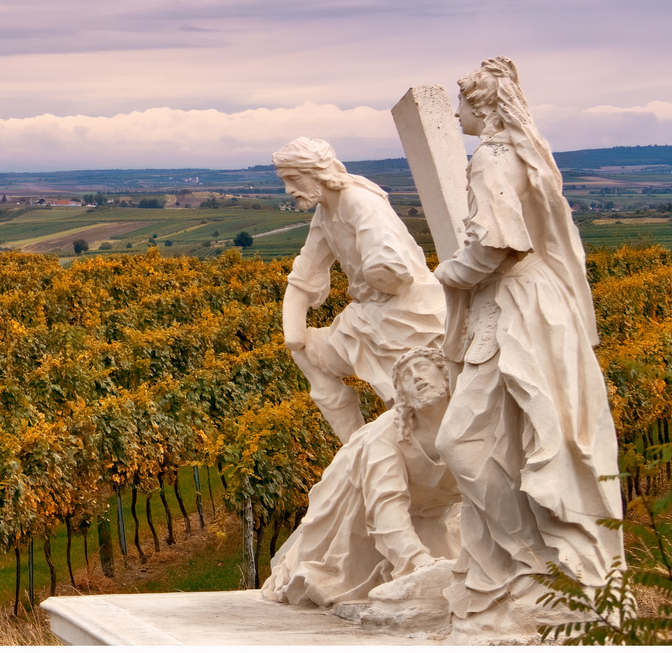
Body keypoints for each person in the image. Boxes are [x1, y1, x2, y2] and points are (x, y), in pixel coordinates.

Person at [432, 57, 622, 637]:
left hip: (512, 312)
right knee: (520, 439)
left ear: (482, 107)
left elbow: (498, 245)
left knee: (461, 441)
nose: (456, 113)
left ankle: (528, 565)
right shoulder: (521, 153)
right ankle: (531, 565)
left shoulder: (490, 158)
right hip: (534, 306)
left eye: (460, 104)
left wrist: (448, 274)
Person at [272, 137, 447, 443]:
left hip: (408, 315)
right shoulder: (326, 213)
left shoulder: (359, 202)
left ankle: (398, 451)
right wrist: (294, 335)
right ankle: (355, 449)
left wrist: (378, 271)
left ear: (318, 173)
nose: (289, 189)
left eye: (293, 179)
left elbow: (393, 272)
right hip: (369, 318)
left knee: (417, 410)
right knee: (307, 354)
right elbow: (306, 271)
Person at [263, 347, 459, 608]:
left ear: (445, 375)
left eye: (422, 368)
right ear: (403, 396)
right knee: (340, 573)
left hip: (430, 513)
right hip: (355, 497)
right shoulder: (388, 435)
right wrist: (416, 561)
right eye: (406, 378)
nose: (416, 378)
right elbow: (385, 503)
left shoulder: (469, 423)